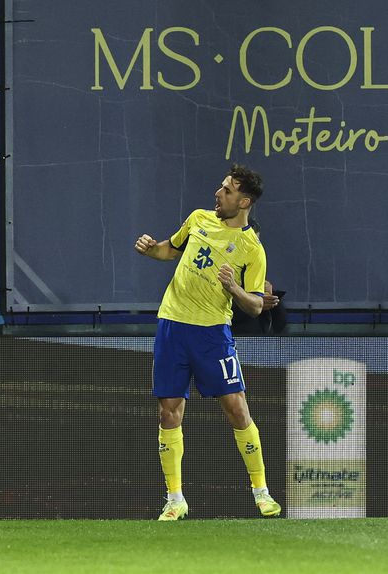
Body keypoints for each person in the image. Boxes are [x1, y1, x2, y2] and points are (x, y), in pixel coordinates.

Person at [134, 164, 281, 521]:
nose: (218, 193)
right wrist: (151, 248)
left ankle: (261, 493)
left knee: (237, 409)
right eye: (221, 187)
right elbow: (172, 250)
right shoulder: (198, 218)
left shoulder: (251, 249)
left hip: (212, 333)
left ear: (244, 201)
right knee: (168, 412)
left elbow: (258, 304)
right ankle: (175, 500)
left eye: (227, 190)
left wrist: (234, 288)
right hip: (172, 325)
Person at [231, 216, 288, 336]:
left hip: (258, 343)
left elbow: (280, 324)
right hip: (228, 341)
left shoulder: (258, 268)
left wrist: (273, 301)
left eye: (256, 242)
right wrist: (254, 303)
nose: (253, 248)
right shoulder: (218, 268)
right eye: (248, 242)